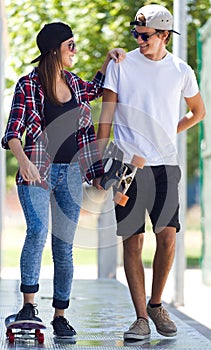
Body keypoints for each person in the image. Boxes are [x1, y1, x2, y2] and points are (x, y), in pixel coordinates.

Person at [1, 22, 125, 340]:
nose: (75, 50)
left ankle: (60, 316)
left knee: (64, 248)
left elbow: (96, 88)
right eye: (71, 44)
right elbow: (13, 131)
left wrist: (108, 60)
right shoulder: (28, 85)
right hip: (37, 173)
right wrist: (24, 161)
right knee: (38, 231)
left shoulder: (74, 83)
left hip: (70, 175)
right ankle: (29, 306)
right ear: (55, 48)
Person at [94, 4, 205, 341]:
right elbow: (106, 117)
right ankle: (141, 318)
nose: (138, 40)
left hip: (165, 166)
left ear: (164, 35)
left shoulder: (181, 70)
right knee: (132, 241)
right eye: (136, 34)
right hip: (126, 164)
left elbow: (197, 112)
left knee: (168, 236)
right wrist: (101, 162)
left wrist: (168, 131)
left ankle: (157, 304)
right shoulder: (121, 65)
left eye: (144, 35)